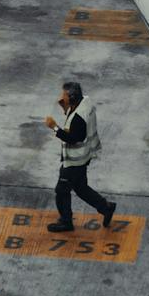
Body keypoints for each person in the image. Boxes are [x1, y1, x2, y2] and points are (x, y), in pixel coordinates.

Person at [44, 78, 116, 234]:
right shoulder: (85, 102)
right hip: (84, 157)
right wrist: (66, 108)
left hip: (74, 161)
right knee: (80, 188)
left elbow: (73, 138)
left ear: (72, 98)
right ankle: (106, 207)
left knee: (62, 191)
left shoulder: (78, 118)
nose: (61, 97)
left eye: (64, 96)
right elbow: (73, 120)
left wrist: (54, 127)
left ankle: (66, 222)